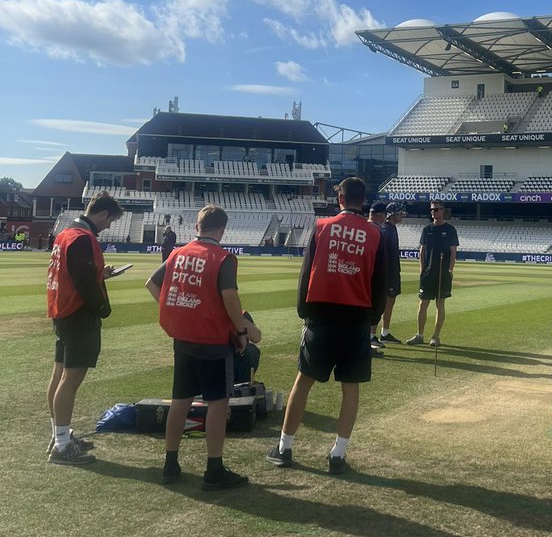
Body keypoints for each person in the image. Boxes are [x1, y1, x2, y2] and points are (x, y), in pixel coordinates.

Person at [266, 176, 386, 473]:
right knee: (351, 388)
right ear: (363, 200)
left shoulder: (322, 226)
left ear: (340, 199)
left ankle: (284, 447)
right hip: (357, 319)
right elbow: (380, 283)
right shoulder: (375, 234)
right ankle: (338, 455)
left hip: (321, 316)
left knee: (303, 381)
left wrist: (304, 311)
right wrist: (372, 320)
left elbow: (306, 272)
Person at [145, 205, 260, 490]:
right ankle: (214, 468)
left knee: (180, 400)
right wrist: (243, 331)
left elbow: (151, 284)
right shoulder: (223, 258)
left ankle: (170, 464)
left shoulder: (177, 253)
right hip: (213, 341)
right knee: (218, 403)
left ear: (197, 226)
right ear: (222, 229)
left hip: (183, 338)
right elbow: (230, 297)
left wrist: (175, 310)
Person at [45, 192, 124, 465]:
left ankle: (59, 436)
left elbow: (74, 273)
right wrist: (103, 308)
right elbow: (83, 283)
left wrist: (101, 273)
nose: (109, 225)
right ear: (102, 214)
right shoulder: (82, 237)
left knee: (59, 374)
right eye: (110, 220)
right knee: (70, 379)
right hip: (78, 315)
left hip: (62, 312)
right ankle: (62, 446)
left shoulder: (66, 234)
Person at [407, 201, 459, 347]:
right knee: (423, 303)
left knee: (440, 303)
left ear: (443, 211)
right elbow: (422, 251)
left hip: (443, 272)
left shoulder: (450, 230)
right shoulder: (426, 229)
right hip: (428, 273)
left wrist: (450, 270)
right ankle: (419, 335)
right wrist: (421, 269)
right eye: (431, 209)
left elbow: (453, 252)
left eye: (436, 209)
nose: (433, 212)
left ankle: (436, 336)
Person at [377, 202, 405, 343]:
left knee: (389, 302)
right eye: (400, 213)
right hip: (388, 272)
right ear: (393, 214)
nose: (402, 215)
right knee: (384, 303)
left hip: (392, 271)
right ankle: (375, 334)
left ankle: (385, 332)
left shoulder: (391, 229)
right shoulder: (386, 230)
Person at [367, 201, 388, 353]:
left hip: (360, 277)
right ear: (380, 215)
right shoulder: (377, 231)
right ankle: (368, 342)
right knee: (373, 310)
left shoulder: (362, 227)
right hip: (373, 279)